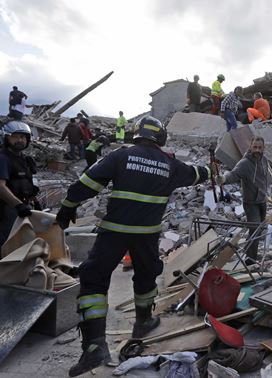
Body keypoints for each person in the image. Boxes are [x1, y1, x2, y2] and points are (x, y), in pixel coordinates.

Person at [55, 116, 210, 377]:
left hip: (114, 232)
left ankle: (94, 346)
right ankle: (144, 321)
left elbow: (87, 183)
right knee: (147, 277)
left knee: (94, 281)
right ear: (160, 137)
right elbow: (195, 174)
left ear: (137, 134)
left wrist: (67, 208)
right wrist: (208, 170)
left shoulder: (121, 156)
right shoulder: (169, 163)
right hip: (147, 235)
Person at [0, 121, 38, 263]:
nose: (20, 140)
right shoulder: (1, 159)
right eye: (15, 137)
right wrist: (18, 205)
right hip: (6, 208)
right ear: (6, 138)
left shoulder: (24, 159)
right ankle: (0, 279)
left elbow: (26, 183)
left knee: (23, 244)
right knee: (6, 244)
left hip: (22, 206)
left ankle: (16, 276)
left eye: (23, 137)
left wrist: (35, 201)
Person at [216, 136, 268, 264]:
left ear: (263, 148)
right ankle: (250, 260)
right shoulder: (245, 163)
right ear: (250, 147)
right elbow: (233, 174)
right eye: (255, 147)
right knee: (255, 230)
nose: (257, 150)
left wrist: (266, 192)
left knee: (259, 229)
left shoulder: (264, 160)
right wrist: (223, 179)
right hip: (251, 203)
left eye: (260, 148)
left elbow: (265, 178)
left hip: (262, 200)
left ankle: (248, 251)